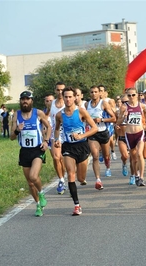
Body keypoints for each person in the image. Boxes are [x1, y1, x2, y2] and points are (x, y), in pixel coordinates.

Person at [54, 87, 98, 215]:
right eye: (65, 97)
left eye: (70, 97)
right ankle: (77, 205)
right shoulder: (59, 115)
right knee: (71, 173)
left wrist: (82, 136)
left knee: (81, 178)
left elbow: (94, 128)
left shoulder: (81, 112)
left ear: (74, 98)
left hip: (82, 146)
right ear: (63, 98)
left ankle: (82, 178)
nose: (68, 99)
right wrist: (57, 139)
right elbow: (57, 129)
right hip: (68, 147)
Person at [10, 91, 51, 217]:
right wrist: (17, 130)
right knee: (30, 182)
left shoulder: (38, 113)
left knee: (34, 176)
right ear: (20, 101)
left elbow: (48, 127)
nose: (25, 101)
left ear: (31, 101)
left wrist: (46, 141)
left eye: (27, 99)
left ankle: (41, 192)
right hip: (24, 151)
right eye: (23, 99)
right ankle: (38, 205)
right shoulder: (16, 115)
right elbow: (11, 137)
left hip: (37, 149)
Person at [85, 85, 116, 189]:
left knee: (106, 155)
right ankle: (98, 180)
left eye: (95, 92)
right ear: (89, 94)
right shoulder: (86, 105)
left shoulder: (103, 103)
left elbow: (113, 118)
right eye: (92, 92)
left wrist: (101, 120)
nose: (94, 94)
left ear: (99, 93)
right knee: (95, 155)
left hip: (103, 132)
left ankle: (107, 165)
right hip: (92, 133)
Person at [116, 87, 146, 186]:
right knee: (133, 158)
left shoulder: (141, 106)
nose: (131, 97)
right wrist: (123, 117)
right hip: (129, 134)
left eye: (133, 95)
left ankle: (141, 177)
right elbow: (118, 123)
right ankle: (136, 175)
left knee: (139, 154)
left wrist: (145, 123)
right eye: (129, 95)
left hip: (139, 132)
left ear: (137, 95)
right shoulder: (124, 107)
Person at [50, 82, 67, 194]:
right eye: (58, 90)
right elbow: (45, 117)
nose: (60, 92)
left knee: (64, 159)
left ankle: (65, 176)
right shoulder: (50, 104)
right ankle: (61, 180)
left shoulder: (69, 102)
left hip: (67, 135)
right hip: (55, 135)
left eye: (62, 90)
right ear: (55, 91)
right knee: (56, 158)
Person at [115, 95, 130, 177]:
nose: (125, 104)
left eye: (126, 102)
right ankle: (124, 164)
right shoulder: (118, 112)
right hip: (122, 136)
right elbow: (116, 122)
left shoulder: (135, 110)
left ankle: (134, 175)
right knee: (125, 156)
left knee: (134, 158)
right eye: (123, 102)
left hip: (131, 135)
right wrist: (116, 125)